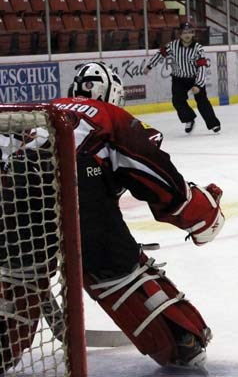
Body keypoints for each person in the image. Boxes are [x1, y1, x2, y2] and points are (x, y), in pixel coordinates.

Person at [0, 62, 225, 369]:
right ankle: (180, 341)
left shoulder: (44, 111)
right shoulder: (109, 115)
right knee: (120, 276)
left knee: (18, 280)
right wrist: (199, 213)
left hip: (15, 191)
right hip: (82, 194)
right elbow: (155, 174)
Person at [144, 22, 221, 134]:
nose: (187, 35)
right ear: (180, 34)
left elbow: (202, 67)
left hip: (194, 78)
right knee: (177, 101)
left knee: (202, 101)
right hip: (178, 79)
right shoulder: (172, 46)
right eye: (184, 32)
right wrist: (150, 65)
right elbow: (160, 54)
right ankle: (189, 119)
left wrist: (198, 84)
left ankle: (213, 124)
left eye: (189, 32)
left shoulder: (198, 48)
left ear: (193, 34)